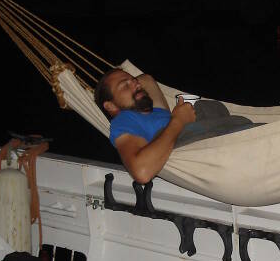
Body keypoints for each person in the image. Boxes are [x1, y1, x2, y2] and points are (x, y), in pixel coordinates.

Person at [94, 69, 257, 183]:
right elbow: (141, 172)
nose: (136, 85)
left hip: (215, 132)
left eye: (134, 81)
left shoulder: (155, 111)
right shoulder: (124, 120)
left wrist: (126, 79)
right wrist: (178, 121)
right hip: (195, 144)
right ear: (110, 106)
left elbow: (147, 79)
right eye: (125, 85)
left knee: (206, 108)